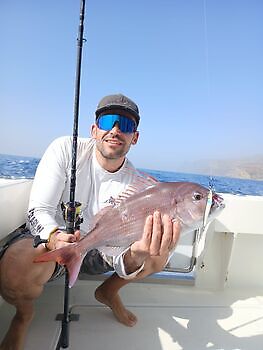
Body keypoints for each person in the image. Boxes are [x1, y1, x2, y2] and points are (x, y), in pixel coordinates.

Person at [0, 93, 180, 350]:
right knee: (14, 268)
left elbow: (120, 256)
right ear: (94, 130)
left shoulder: (136, 186)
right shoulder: (65, 149)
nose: (116, 130)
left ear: (135, 137)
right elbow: (38, 209)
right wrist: (53, 237)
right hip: (55, 242)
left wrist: (137, 253)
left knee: (158, 254)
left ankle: (108, 292)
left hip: (98, 251)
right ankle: (23, 314)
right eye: (108, 121)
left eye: (126, 125)